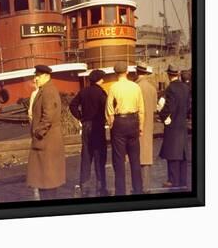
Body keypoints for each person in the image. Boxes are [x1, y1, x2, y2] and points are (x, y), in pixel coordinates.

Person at [26, 65, 66, 200]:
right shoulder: (46, 90)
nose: (35, 79)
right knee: (46, 179)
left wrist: (38, 132)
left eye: (37, 76)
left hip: (46, 140)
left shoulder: (48, 91)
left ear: (45, 76)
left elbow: (48, 116)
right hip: (48, 140)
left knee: (48, 180)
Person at [106, 61, 145, 195]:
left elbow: (109, 109)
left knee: (119, 159)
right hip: (133, 121)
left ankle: (120, 191)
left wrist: (111, 123)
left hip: (119, 122)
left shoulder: (113, 87)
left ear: (116, 73)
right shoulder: (135, 87)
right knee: (135, 158)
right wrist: (140, 126)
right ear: (127, 72)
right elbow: (141, 108)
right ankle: (138, 188)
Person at [69, 69, 108, 197]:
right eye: (102, 78)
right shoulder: (101, 93)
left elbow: (72, 105)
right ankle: (101, 184)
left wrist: (80, 116)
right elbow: (106, 108)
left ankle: (84, 183)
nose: (104, 80)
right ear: (99, 80)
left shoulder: (83, 91)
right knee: (99, 155)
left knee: (86, 155)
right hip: (97, 126)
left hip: (86, 126)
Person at [158, 65, 190, 189]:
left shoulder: (170, 89)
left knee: (172, 153)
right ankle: (183, 180)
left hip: (172, 125)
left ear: (168, 75)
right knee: (182, 154)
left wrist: (162, 116)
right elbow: (188, 106)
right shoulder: (185, 88)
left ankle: (172, 180)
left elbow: (169, 107)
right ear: (177, 74)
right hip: (182, 124)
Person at [135, 62, 158, 193]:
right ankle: (146, 186)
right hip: (149, 126)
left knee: (136, 156)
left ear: (137, 72)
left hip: (137, 125)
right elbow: (154, 109)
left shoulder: (136, 87)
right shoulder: (153, 88)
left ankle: (138, 186)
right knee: (147, 157)